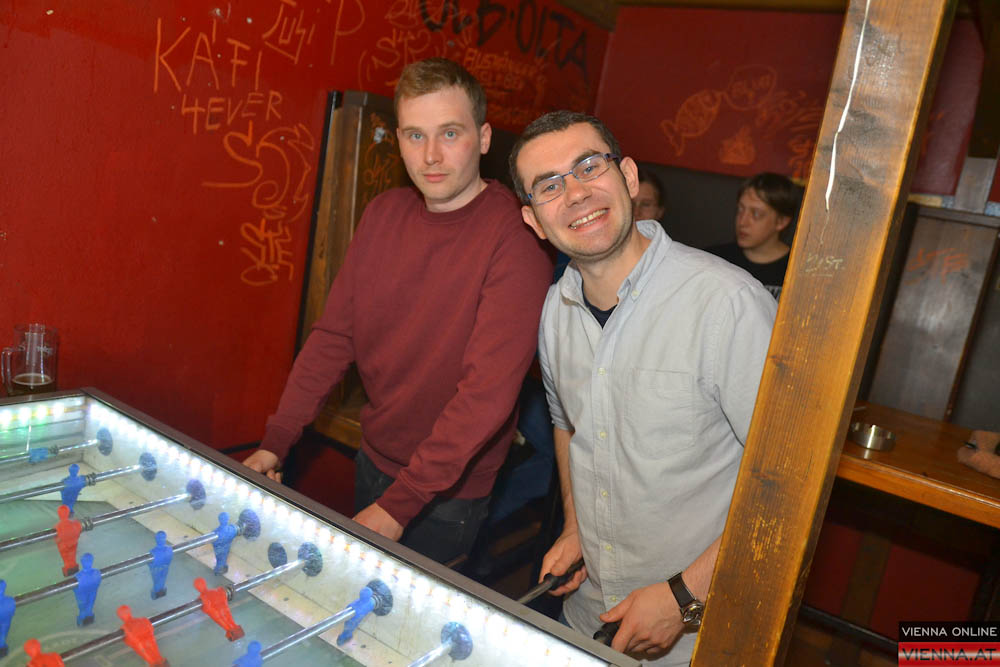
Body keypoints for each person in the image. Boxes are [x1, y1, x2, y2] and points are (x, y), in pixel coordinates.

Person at [242, 58, 552, 564]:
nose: (431, 155)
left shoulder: (517, 237)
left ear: (484, 138)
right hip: (375, 456)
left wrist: (400, 504)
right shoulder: (382, 214)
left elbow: (486, 394)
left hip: (449, 491)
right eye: (414, 135)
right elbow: (333, 339)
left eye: (449, 133)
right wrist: (275, 442)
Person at [509, 111, 776, 665]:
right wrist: (576, 526)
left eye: (588, 167)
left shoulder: (728, 303)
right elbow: (567, 425)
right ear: (533, 220)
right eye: (549, 185)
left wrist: (684, 597)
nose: (576, 193)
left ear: (628, 177)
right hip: (587, 617)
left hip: (696, 635)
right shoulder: (556, 309)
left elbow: (786, 483)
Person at [707, 172, 801, 300]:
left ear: (781, 222)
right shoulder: (714, 260)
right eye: (740, 209)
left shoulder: (797, 272)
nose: (742, 222)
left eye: (756, 214)